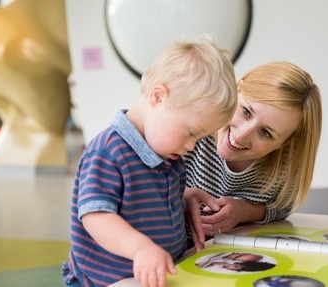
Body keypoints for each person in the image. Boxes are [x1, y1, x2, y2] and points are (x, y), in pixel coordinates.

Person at [61, 35, 237, 287]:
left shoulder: (168, 155)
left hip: (155, 275)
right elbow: (96, 216)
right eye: (190, 132)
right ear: (158, 97)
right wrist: (141, 249)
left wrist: (184, 201)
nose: (191, 146)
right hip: (104, 281)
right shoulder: (109, 151)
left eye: (199, 137)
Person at [183, 61, 322, 250]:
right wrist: (178, 197)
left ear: (283, 143)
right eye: (246, 111)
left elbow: (281, 206)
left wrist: (243, 211)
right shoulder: (191, 125)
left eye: (266, 133)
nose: (241, 135)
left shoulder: (281, 166)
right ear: (237, 89)